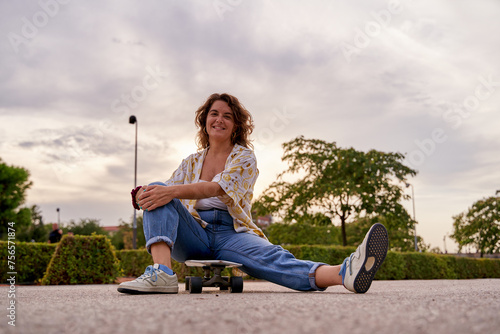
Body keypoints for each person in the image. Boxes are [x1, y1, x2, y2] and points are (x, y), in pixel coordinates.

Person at [117, 93, 389, 294]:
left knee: (274, 258)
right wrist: (146, 194)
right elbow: (166, 192)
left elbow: (217, 188)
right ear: (205, 121)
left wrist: (168, 191)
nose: (219, 119)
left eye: (227, 116)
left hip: (231, 233)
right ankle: (162, 275)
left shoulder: (245, 157)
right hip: (194, 232)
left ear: (236, 125)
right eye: (214, 113)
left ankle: (344, 273)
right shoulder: (191, 162)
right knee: (157, 190)